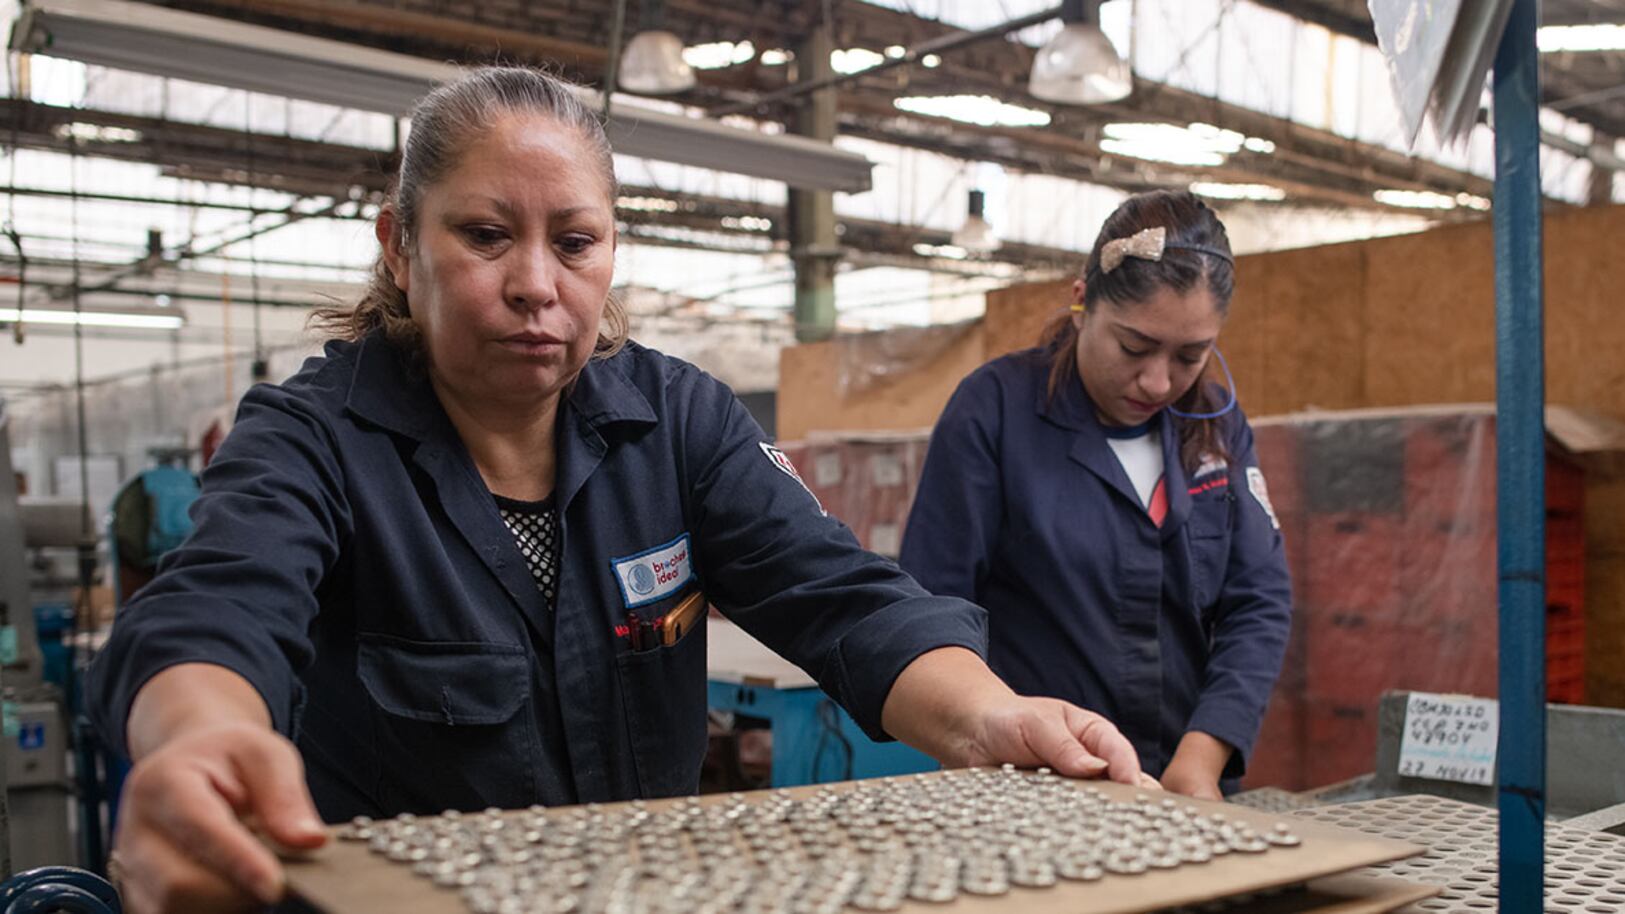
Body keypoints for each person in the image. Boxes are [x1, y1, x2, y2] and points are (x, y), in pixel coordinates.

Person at [86, 67, 1147, 914]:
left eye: (575, 242)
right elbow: (220, 608)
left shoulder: (677, 423)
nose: (536, 284)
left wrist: (990, 718)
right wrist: (197, 742)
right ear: (399, 246)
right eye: (485, 234)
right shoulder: (313, 436)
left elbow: (843, 597)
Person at [899, 190, 1292, 802]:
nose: (1159, 381)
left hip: (1186, 786)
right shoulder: (995, 411)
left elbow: (1258, 600)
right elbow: (934, 607)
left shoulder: (1215, 424)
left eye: (1191, 355)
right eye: (1134, 348)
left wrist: (1201, 757)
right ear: (1082, 301)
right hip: (1034, 788)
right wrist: (989, 733)